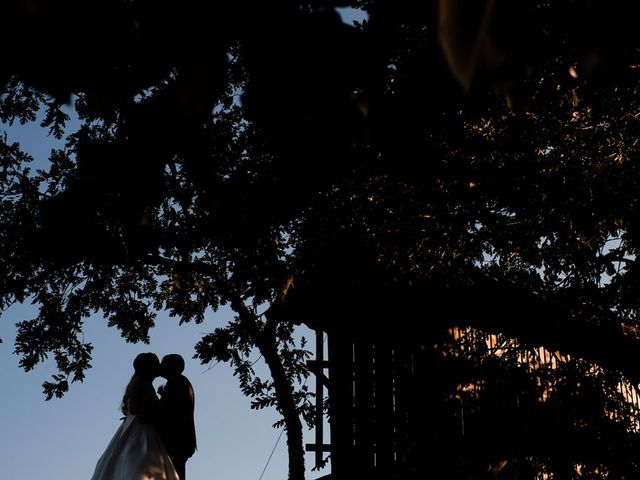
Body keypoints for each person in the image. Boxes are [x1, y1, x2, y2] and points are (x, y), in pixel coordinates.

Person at [90, 352, 180, 480]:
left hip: (140, 426)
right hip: (141, 428)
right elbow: (135, 407)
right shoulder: (141, 382)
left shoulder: (142, 383)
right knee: (140, 459)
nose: (158, 366)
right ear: (148, 367)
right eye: (155, 363)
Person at [157, 354, 197, 480]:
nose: (160, 366)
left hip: (176, 438)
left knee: (175, 474)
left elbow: (169, 410)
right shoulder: (179, 382)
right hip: (179, 439)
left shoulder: (177, 382)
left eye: (163, 364)